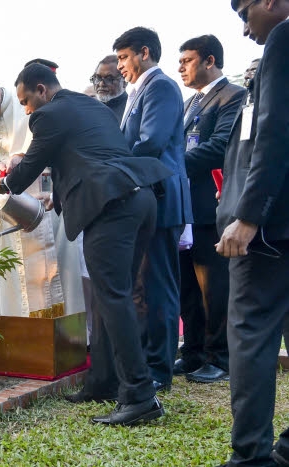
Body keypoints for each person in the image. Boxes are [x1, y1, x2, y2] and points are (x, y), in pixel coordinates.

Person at [0, 63, 173, 425]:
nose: (26, 110)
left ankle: (139, 396)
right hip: (140, 200)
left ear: (41, 90)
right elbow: (87, 156)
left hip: (112, 209)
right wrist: (59, 197)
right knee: (110, 296)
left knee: (114, 298)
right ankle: (103, 381)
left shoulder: (47, 115)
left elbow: (29, 168)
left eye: (26, 101)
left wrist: (2, 185)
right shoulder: (89, 106)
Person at [216, 2, 289, 465]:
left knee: (249, 333)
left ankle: (251, 458)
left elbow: (274, 131)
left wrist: (247, 215)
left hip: (270, 227)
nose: (244, 29)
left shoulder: (283, 36)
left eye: (245, 13)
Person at [0, 70, 83, 318]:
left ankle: (66, 330)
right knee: (11, 268)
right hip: (5, 201)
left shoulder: (25, 104)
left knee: (57, 263)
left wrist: (21, 160)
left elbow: (46, 144)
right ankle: (17, 325)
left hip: (42, 194)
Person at [115, 26, 193, 392]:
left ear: (143, 53)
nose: (119, 66)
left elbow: (151, 142)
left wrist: (111, 167)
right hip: (144, 199)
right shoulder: (139, 90)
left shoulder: (160, 86)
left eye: (123, 57)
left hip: (160, 197)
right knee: (144, 285)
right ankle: (149, 360)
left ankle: (161, 367)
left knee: (159, 286)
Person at [174, 34, 246, 384]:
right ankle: (193, 352)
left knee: (214, 287)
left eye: (187, 60)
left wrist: (172, 165)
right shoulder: (191, 103)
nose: (180, 67)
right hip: (187, 209)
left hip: (212, 206)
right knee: (188, 285)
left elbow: (221, 147)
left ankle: (220, 357)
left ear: (210, 61)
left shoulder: (233, 96)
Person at [90, 54, 128, 121]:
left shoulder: (132, 110)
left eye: (109, 79)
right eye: (97, 78)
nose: (101, 84)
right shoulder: (88, 108)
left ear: (124, 82)